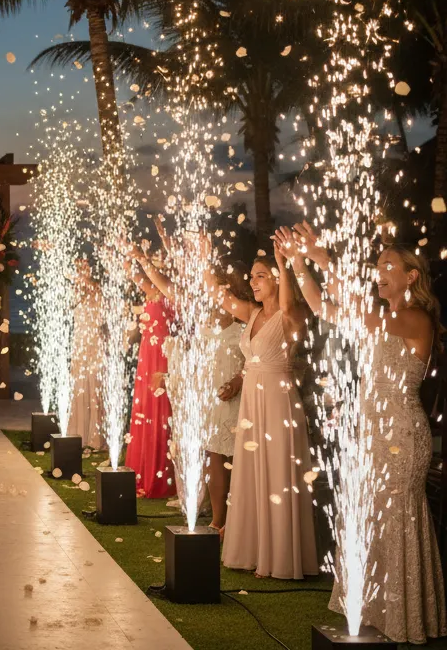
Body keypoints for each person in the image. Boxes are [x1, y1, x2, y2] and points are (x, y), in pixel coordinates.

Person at [279, 225, 446, 642]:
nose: (379, 269)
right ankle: (379, 612)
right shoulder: (381, 318)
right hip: (372, 432)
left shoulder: (412, 316)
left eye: (389, 264)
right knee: (371, 520)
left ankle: (405, 619)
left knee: (395, 520)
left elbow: (351, 303)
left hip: (401, 436)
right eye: (378, 264)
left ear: (411, 276)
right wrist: (299, 264)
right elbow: (322, 307)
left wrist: (322, 257)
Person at [216, 239, 319, 579]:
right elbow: (220, 296)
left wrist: (284, 262)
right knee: (252, 472)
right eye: (252, 277)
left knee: (276, 471)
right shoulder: (252, 313)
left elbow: (288, 306)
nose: (253, 282)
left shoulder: (293, 315)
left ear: (277, 278)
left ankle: (280, 557)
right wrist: (202, 257)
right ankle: (253, 549)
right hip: (251, 402)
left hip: (277, 402)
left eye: (260, 276)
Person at [131, 238, 248, 534]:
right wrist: (143, 261)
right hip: (210, 398)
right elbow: (168, 288)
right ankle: (218, 520)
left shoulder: (245, 321)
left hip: (238, 397)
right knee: (215, 459)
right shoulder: (202, 314)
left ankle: (244, 519)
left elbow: (255, 357)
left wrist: (238, 380)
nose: (210, 292)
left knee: (243, 461)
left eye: (216, 288)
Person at [125, 248, 174, 499]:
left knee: (159, 414)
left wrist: (142, 256)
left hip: (162, 359)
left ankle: (161, 476)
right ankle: (143, 472)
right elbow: (134, 275)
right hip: (147, 356)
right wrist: (124, 252)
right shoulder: (154, 292)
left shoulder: (172, 293)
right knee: (146, 412)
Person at [68, 257, 105, 450]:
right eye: (79, 267)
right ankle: (79, 433)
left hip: (94, 342)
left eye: (85, 266)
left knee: (94, 385)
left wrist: (82, 280)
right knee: (80, 385)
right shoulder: (75, 291)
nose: (82, 270)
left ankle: (95, 437)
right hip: (79, 341)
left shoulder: (96, 288)